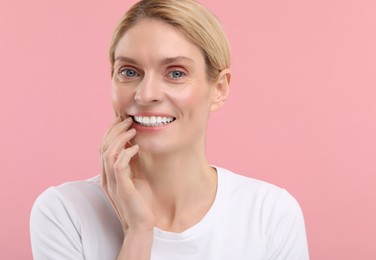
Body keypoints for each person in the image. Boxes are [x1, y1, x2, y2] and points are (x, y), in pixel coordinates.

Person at [30, 0, 310, 259]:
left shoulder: (270, 214)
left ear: (219, 89)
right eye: (129, 71)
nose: (145, 94)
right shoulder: (65, 212)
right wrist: (138, 234)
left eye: (175, 73)